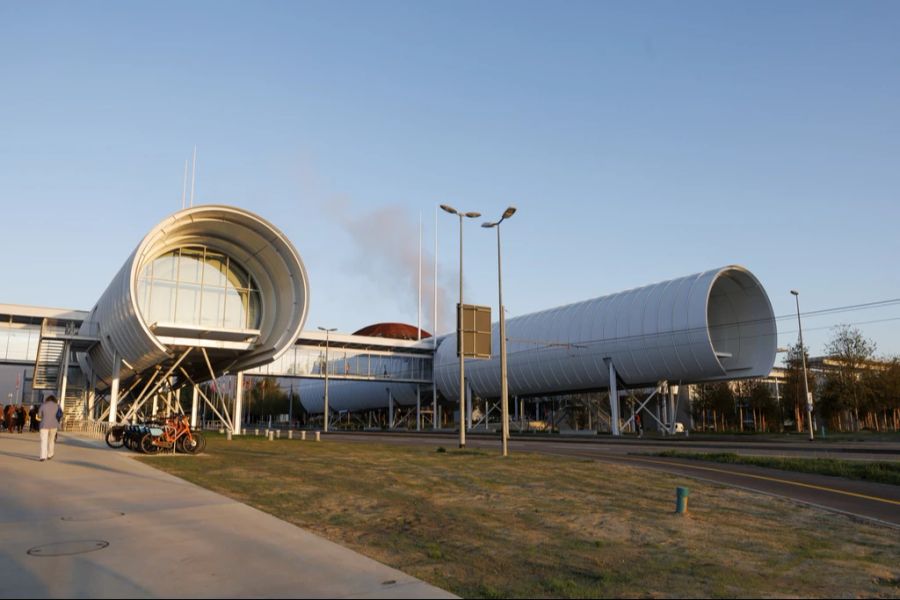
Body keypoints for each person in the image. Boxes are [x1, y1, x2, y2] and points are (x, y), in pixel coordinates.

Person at [37, 395, 60, 462]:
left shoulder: (43, 405)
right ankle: (50, 454)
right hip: (54, 424)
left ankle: (42, 456)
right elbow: (60, 414)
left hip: (44, 424)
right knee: (51, 440)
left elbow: (39, 415)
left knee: (44, 440)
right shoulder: (57, 406)